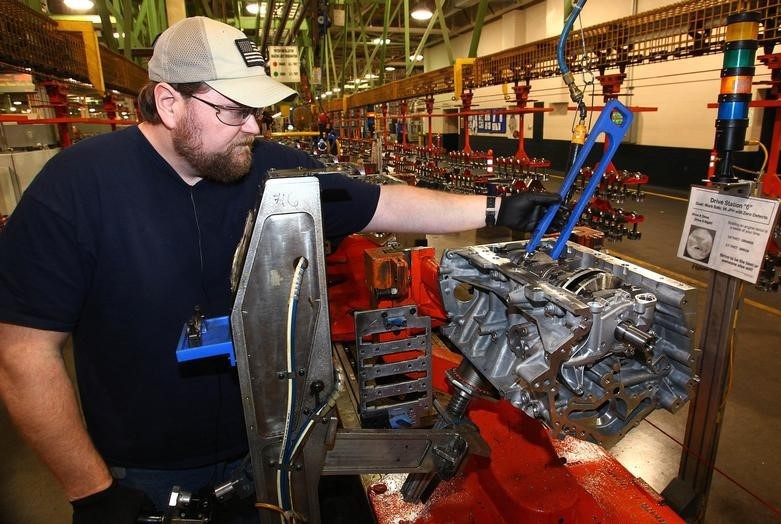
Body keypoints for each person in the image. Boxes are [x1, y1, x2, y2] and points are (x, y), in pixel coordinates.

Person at [0, 16, 560, 523]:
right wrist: (91, 491)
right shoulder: (76, 188)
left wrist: (492, 209)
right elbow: (24, 354)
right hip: (146, 474)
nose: (253, 128)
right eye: (235, 111)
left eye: (258, 112)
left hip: (271, 450)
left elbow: (379, 203)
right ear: (169, 104)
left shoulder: (269, 169)